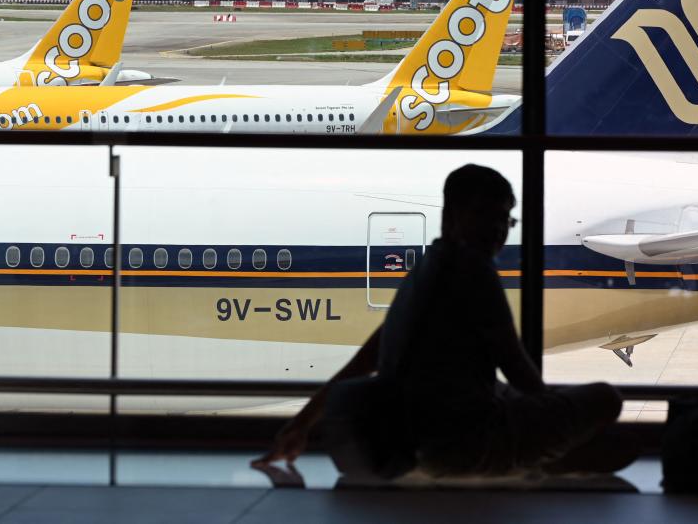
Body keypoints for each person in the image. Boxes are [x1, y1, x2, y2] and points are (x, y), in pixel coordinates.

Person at [254, 163, 631, 480]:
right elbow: (517, 368)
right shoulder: (475, 273)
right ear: (452, 216)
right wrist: (552, 414)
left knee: (558, 416)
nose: (498, 230)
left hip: (414, 440)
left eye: (504, 219)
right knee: (607, 402)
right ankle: (541, 462)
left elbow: (365, 360)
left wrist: (302, 423)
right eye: (487, 216)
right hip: (464, 445)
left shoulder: (424, 271)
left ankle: (545, 456)